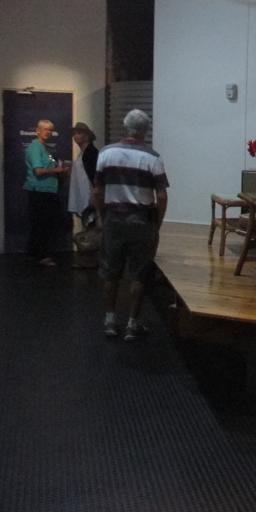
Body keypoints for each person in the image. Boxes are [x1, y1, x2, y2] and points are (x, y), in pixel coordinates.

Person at [93, 110, 169, 341]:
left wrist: (101, 216)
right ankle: (132, 324)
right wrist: (157, 224)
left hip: (113, 219)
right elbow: (161, 196)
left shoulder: (106, 153)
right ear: (146, 130)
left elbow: (97, 190)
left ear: (125, 127)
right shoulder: (153, 157)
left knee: (110, 272)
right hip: (141, 221)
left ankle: (109, 321)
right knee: (139, 274)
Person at [23, 119, 69, 266]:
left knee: (43, 223)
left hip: (47, 190)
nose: (48, 132)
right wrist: (57, 170)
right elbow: (38, 171)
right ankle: (40, 255)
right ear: (37, 130)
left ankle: (35, 253)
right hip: (40, 191)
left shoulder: (45, 148)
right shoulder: (35, 148)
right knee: (41, 224)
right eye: (45, 129)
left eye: (50, 130)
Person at [68, 122, 100, 268]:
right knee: (88, 227)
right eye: (74, 134)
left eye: (79, 133)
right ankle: (89, 259)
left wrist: (94, 195)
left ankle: (91, 260)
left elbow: (95, 176)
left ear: (87, 136)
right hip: (83, 195)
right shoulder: (83, 153)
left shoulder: (91, 153)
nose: (76, 136)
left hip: (89, 196)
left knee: (91, 228)